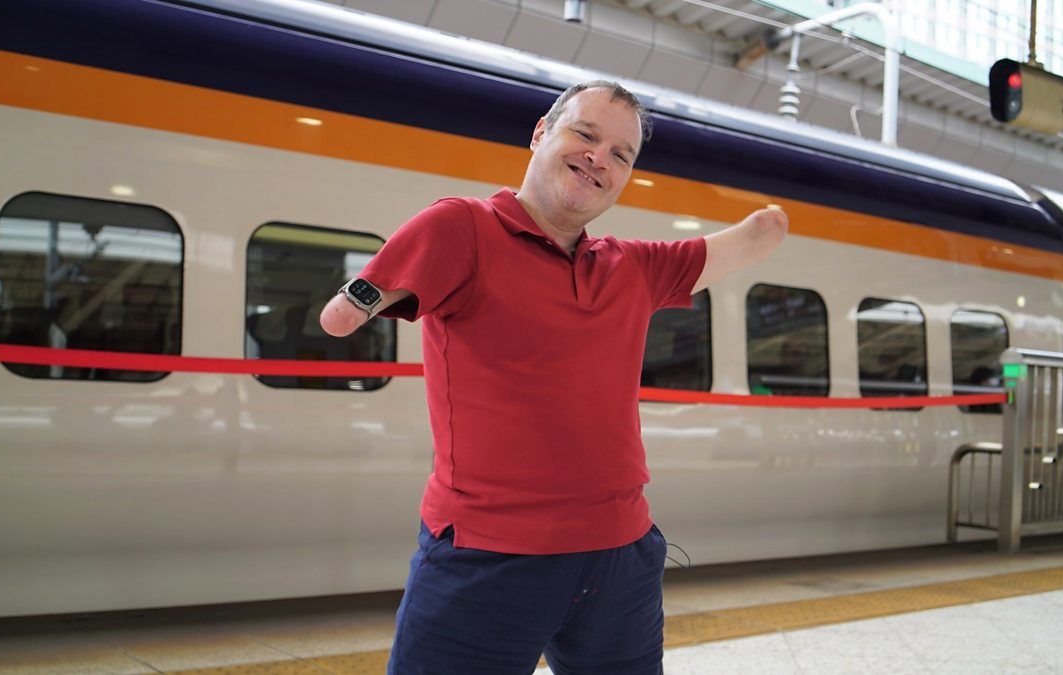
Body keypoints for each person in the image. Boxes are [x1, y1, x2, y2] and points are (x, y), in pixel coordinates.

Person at [320, 80, 787, 675]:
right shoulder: (463, 227)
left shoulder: (634, 266)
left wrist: (770, 217)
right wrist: (359, 297)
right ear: (540, 132)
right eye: (584, 134)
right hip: (489, 556)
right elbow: (341, 317)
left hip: (621, 557)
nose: (599, 158)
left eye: (621, 155)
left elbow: (758, 236)